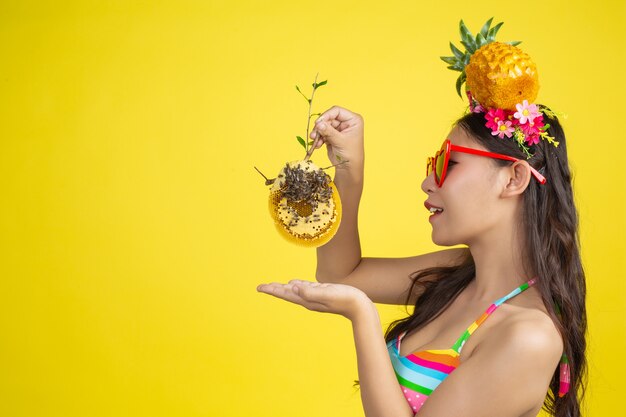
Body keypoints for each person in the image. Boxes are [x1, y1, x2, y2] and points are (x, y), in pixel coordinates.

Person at [258, 27, 586, 417]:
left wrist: (362, 315)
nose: (427, 182)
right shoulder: (458, 275)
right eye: (432, 165)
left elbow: (349, 293)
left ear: (514, 178)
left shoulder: (529, 336)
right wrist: (348, 169)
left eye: (449, 163)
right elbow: (340, 276)